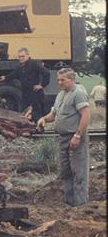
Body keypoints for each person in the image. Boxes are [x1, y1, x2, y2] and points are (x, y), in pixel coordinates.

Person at [37, 68, 91, 207]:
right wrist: (44, 119)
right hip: (63, 139)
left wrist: (77, 135)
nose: (59, 82)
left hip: (75, 138)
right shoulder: (61, 94)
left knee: (79, 173)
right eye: (58, 80)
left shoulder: (78, 93)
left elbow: (86, 115)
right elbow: (54, 115)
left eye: (63, 80)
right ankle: (69, 204)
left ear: (71, 79)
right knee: (66, 172)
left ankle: (80, 206)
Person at [0, 47, 49, 122]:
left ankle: (39, 127)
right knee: (24, 114)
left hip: (35, 93)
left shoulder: (34, 64)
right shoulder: (20, 66)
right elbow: (14, 74)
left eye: (23, 56)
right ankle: (28, 127)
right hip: (25, 94)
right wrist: (5, 78)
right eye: (20, 57)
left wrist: (42, 85)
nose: (21, 58)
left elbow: (46, 73)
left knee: (36, 114)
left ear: (28, 55)